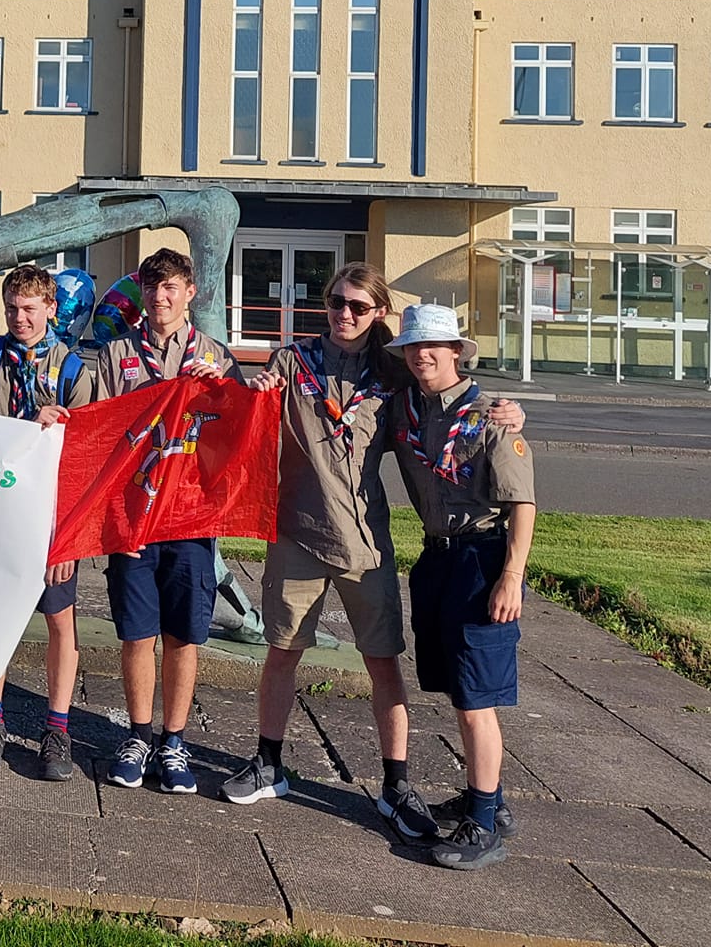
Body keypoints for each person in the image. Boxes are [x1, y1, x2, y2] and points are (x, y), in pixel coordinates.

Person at [224, 265, 524, 842]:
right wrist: (248, 385)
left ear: (379, 313)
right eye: (336, 302)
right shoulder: (293, 362)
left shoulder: (394, 373)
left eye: (359, 306)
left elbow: (450, 396)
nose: (345, 314)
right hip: (297, 534)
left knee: (382, 661)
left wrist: (510, 412)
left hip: (365, 542)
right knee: (282, 652)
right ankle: (269, 763)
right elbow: (245, 403)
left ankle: (395, 785)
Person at [385, 302, 537, 871]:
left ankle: (483, 826)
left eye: (433, 346)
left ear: (456, 351)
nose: (422, 355)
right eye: (413, 347)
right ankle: (488, 799)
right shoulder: (406, 409)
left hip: (482, 557)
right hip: (437, 558)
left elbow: (523, 504)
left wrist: (511, 577)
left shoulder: (492, 416)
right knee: (457, 687)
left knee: (477, 698)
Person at [88, 246, 243, 793]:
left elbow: (237, 434)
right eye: (152, 288)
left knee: (184, 634)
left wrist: (221, 388)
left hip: (191, 517)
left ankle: (174, 741)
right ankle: (138, 735)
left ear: (190, 293)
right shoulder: (116, 354)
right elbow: (99, 432)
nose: (160, 297)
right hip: (134, 514)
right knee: (137, 632)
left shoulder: (214, 354)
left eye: (171, 287)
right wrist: (111, 516)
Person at [0, 263, 96, 781]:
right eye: (12, 308)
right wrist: (27, 427)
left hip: (51, 519)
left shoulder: (75, 369)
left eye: (30, 309)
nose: (20, 318)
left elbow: (84, 459)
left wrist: (70, 538)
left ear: (51, 309)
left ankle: (57, 729)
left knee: (60, 621)